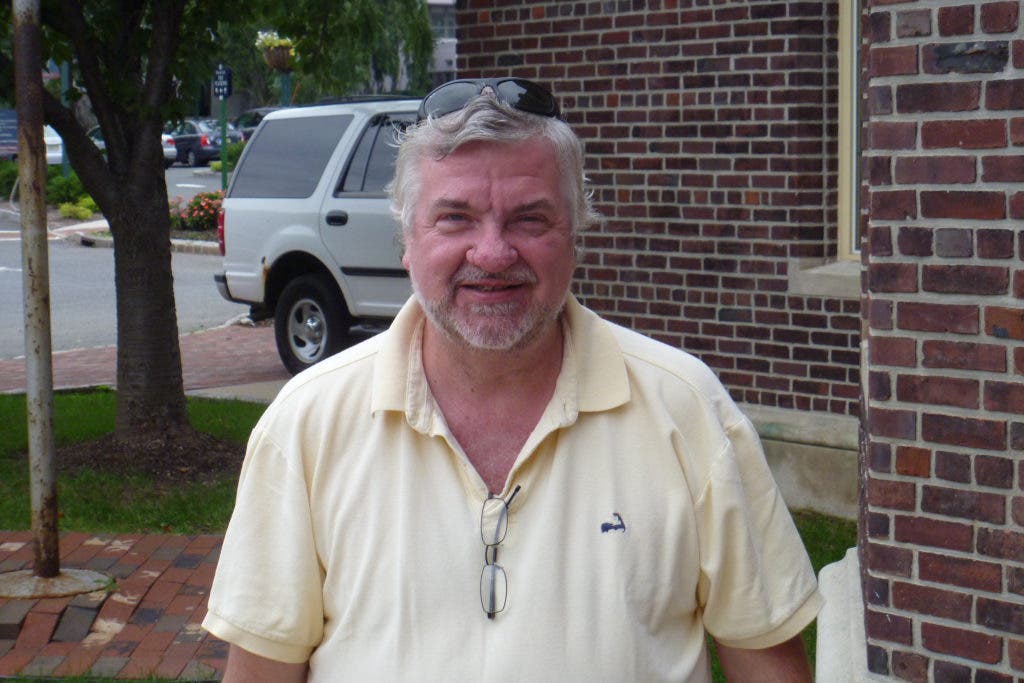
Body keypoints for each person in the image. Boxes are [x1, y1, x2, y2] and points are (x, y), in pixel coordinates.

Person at [202, 78, 822, 682]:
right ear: (406, 241)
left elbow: (766, 662)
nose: (493, 253)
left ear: (574, 236)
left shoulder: (687, 410)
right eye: (455, 218)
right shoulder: (306, 425)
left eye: (530, 219)